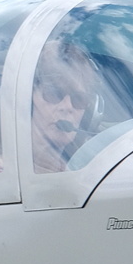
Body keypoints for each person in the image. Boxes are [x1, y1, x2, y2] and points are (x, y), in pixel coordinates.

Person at [31, 40, 95, 173]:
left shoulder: (94, 168)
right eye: (54, 94)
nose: (67, 107)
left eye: (79, 99)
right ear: (29, 101)